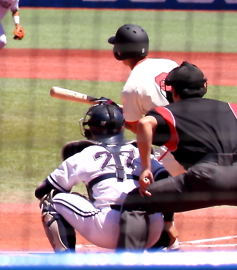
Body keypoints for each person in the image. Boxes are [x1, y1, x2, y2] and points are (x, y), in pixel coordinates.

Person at [117, 62, 237, 250]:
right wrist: (235, 168)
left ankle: (126, 264)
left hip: (204, 178)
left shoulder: (167, 112)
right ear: (204, 86)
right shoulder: (233, 109)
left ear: (173, 91)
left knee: (135, 202)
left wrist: (147, 167)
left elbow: (144, 124)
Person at [36, 101, 167, 252]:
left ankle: (66, 261)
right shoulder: (139, 152)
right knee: (162, 193)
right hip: (151, 230)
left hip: (107, 231)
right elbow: (166, 179)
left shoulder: (85, 155)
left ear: (90, 129)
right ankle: (160, 252)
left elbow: (42, 191)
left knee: (51, 201)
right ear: (122, 127)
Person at [108, 23, 183, 247]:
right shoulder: (168, 64)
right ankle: (165, 226)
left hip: (179, 145)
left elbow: (136, 127)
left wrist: (123, 116)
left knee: (144, 174)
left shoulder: (131, 87)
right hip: (197, 129)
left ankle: (165, 233)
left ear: (119, 52)